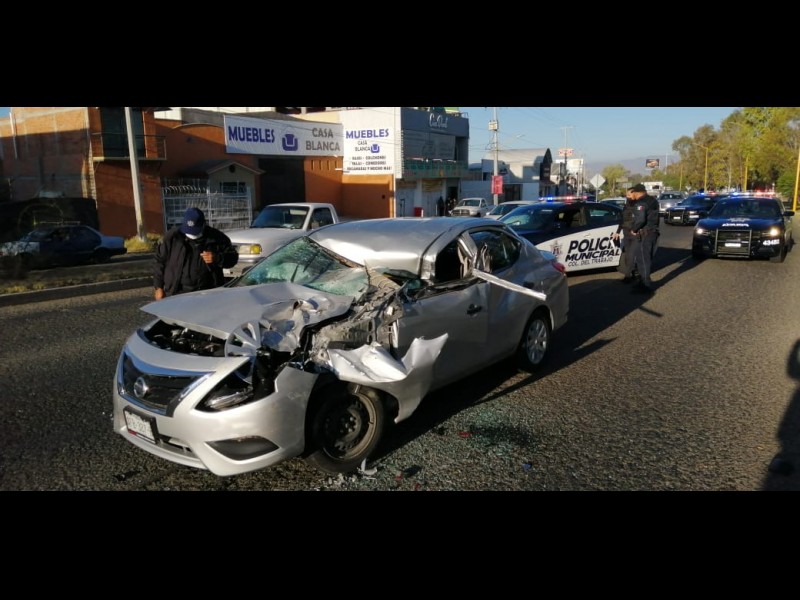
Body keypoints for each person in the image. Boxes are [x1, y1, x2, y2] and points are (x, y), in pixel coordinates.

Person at [153, 207, 238, 300]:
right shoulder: (172, 237)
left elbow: (233, 258)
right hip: (177, 291)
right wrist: (158, 287)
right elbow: (159, 262)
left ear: (203, 225)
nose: (192, 235)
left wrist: (217, 258)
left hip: (209, 293)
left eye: (194, 231)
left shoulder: (217, 238)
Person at [628, 183, 660, 294]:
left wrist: (634, 229)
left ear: (636, 192)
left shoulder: (641, 202)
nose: (632, 196)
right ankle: (643, 282)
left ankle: (645, 285)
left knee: (642, 260)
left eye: (632, 193)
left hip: (645, 234)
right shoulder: (653, 200)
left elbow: (640, 219)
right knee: (646, 259)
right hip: (653, 232)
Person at [612, 188, 639, 283]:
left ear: (634, 194)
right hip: (626, 233)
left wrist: (637, 229)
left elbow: (642, 219)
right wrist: (617, 232)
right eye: (626, 195)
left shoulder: (639, 205)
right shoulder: (626, 206)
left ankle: (629, 276)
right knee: (627, 255)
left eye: (629, 195)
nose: (627, 197)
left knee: (631, 254)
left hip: (635, 233)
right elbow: (622, 220)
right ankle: (632, 274)